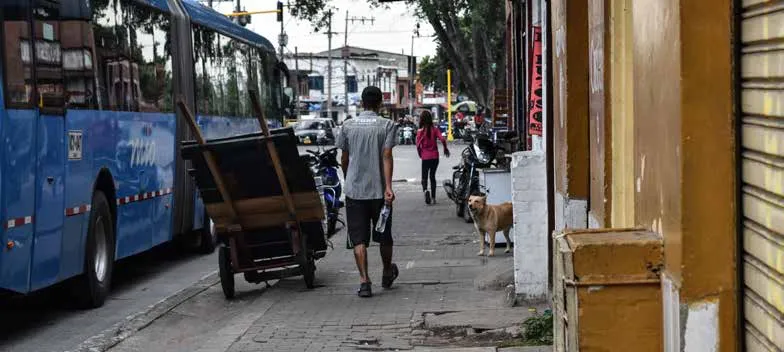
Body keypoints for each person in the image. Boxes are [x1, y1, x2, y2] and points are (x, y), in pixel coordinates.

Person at [336, 86, 399, 298]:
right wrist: (388, 187)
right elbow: (387, 156)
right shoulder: (387, 125)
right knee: (384, 236)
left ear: (362, 103)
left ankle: (364, 282)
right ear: (380, 103)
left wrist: (349, 179)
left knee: (359, 239)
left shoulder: (347, 126)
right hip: (379, 192)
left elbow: (344, 159)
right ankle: (387, 272)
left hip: (355, 192)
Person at [416, 110, 450, 205]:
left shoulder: (420, 131)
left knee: (424, 177)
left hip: (425, 157)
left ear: (422, 119)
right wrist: (445, 149)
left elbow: (418, 145)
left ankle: (426, 190)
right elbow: (443, 139)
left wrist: (420, 154)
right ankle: (433, 198)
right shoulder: (435, 129)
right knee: (432, 176)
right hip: (435, 157)